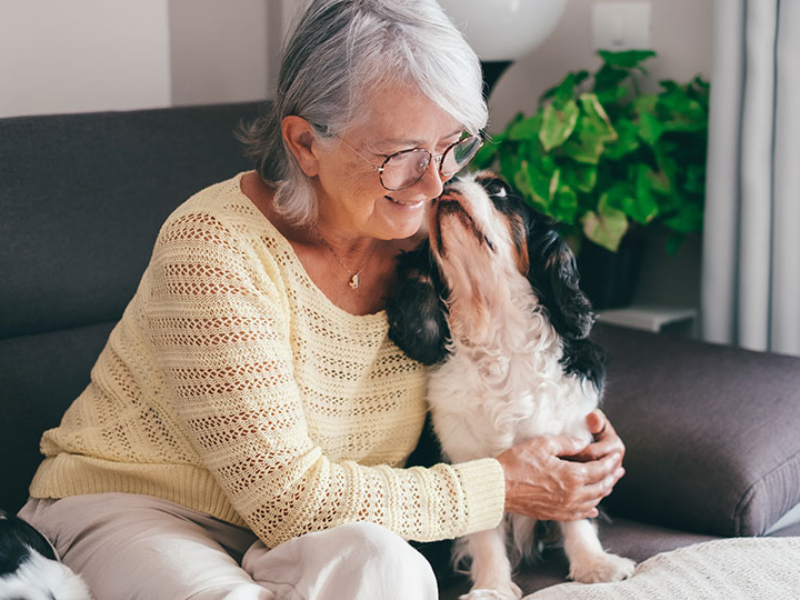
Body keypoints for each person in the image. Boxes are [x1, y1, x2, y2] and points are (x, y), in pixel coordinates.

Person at [18, 1, 627, 598]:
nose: (435, 183)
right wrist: (503, 486)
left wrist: (574, 441)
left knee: (391, 569)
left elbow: (512, 357)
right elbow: (288, 501)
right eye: (401, 156)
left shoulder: (427, 242)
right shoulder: (213, 250)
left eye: (451, 146)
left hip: (303, 534)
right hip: (142, 509)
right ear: (305, 144)